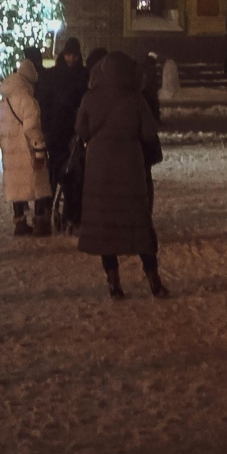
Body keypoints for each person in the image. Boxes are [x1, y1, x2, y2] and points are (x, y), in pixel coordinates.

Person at [74, 50, 166, 298]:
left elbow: (81, 129)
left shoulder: (91, 97)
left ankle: (114, 283)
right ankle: (153, 279)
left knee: (106, 226)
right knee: (139, 222)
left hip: (99, 168)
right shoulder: (135, 99)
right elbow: (149, 132)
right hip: (130, 167)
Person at [0, 48, 53, 237]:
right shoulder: (28, 100)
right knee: (38, 183)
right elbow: (32, 127)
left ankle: (19, 221)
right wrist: (39, 149)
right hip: (27, 148)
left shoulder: (6, 98)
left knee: (16, 185)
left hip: (10, 149)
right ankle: (39, 222)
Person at [40, 36, 88, 229]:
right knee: (58, 174)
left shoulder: (80, 75)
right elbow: (47, 104)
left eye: (74, 55)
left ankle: (70, 212)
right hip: (57, 133)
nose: (71, 59)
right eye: (68, 55)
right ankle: (50, 211)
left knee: (72, 174)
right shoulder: (55, 76)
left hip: (73, 134)